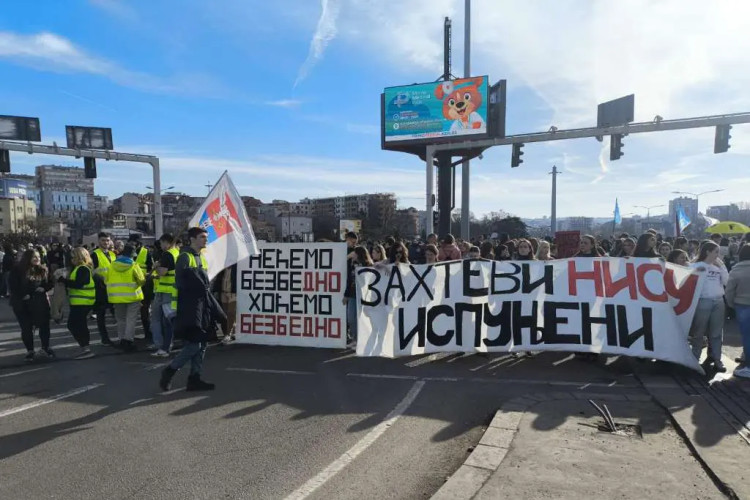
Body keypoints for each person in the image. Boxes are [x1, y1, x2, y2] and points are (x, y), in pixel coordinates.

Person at [160, 227, 225, 391]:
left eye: (206, 237)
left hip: (201, 308)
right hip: (189, 309)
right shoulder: (185, 257)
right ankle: (170, 370)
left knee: (202, 345)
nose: (206, 240)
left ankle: (194, 378)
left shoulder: (199, 257)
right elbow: (183, 284)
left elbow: (204, 287)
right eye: (202, 237)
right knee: (194, 345)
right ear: (192, 239)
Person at [689, 240, 729, 371]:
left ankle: (717, 360)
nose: (718, 254)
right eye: (716, 252)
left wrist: (722, 266)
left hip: (718, 301)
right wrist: (696, 271)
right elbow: (685, 279)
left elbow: (726, 281)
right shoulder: (695, 265)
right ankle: (695, 358)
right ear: (708, 252)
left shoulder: (718, 266)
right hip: (703, 301)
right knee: (699, 332)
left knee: (716, 333)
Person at [9, 249, 54, 361]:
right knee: (26, 328)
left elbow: (50, 283)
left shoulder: (43, 269)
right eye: (34, 257)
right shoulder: (17, 270)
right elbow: (13, 286)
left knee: (44, 325)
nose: (37, 259)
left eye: (39, 256)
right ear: (27, 258)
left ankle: (45, 347)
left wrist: (44, 288)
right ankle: (30, 351)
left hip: (39, 303)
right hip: (22, 304)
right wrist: (23, 295)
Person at [107, 244, 146, 352]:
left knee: (120, 320)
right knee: (131, 320)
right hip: (132, 297)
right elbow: (142, 281)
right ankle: (128, 341)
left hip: (116, 298)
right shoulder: (134, 265)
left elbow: (107, 279)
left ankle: (121, 339)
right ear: (132, 255)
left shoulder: (112, 265)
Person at [61, 247, 96, 359]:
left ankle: (86, 348)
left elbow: (79, 284)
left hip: (83, 301)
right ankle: (85, 347)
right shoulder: (79, 268)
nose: (71, 259)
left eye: (72, 257)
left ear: (78, 257)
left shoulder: (83, 269)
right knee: (78, 324)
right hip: (80, 301)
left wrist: (64, 281)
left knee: (75, 324)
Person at [151, 233, 179, 357]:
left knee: (169, 321)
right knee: (169, 320)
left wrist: (156, 267)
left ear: (166, 242)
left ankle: (165, 348)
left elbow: (163, 272)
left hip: (166, 292)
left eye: (162, 243)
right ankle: (167, 346)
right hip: (174, 290)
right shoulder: (177, 253)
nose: (161, 246)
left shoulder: (167, 254)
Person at [725, 244, 750, 378]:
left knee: (747, 337)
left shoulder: (736, 270)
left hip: (742, 305)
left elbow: (729, 291)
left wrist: (731, 305)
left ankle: (749, 367)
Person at [91, 232, 115, 345]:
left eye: (107, 240)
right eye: (103, 240)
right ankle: (104, 338)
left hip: (113, 288)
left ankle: (122, 336)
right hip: (100, 288)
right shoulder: (94, 254)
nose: (106, 242)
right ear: (98, 241)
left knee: (116, 313)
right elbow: (92, 272)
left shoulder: (113, 254)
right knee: (101, 315)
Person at [129, 234, 154, 342]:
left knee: (144, 313)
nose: (131, 244)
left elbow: (151, 268)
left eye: (133, 242)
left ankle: (148, 334)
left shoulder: (146, 252)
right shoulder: (128, 252)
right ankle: (129, 336)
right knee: (132, 314)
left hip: (144, 286)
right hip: (130, 287)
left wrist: (145, 275)